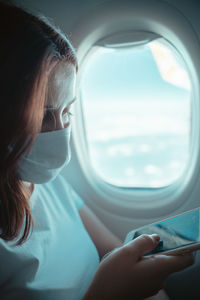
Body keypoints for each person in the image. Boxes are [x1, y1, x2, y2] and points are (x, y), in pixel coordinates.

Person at [0, 1, 194, 299]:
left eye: (68, 112)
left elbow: (111, 250)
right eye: (43, 116)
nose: (61, 131)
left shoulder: (50, 184)